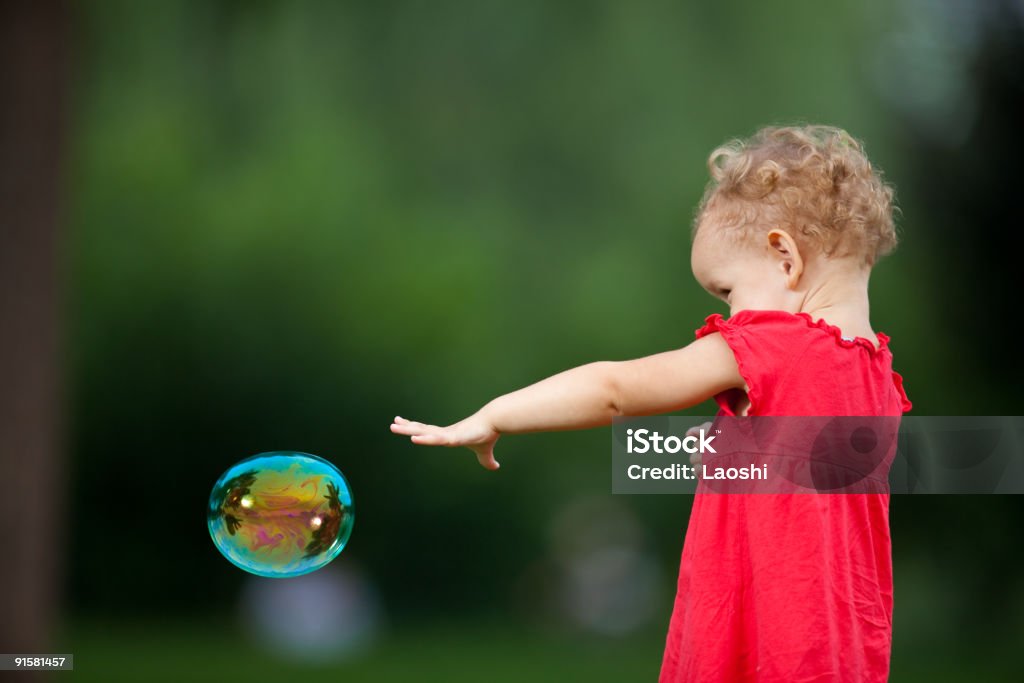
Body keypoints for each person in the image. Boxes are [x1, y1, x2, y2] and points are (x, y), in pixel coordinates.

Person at [390, 124, 912, 681]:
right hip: (838, 651)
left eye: (727, 292)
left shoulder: (772, 344)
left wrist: (495, 415)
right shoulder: (879, 380)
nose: (729, 315)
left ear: (785, 257)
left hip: (761, 645)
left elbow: (613, 390)